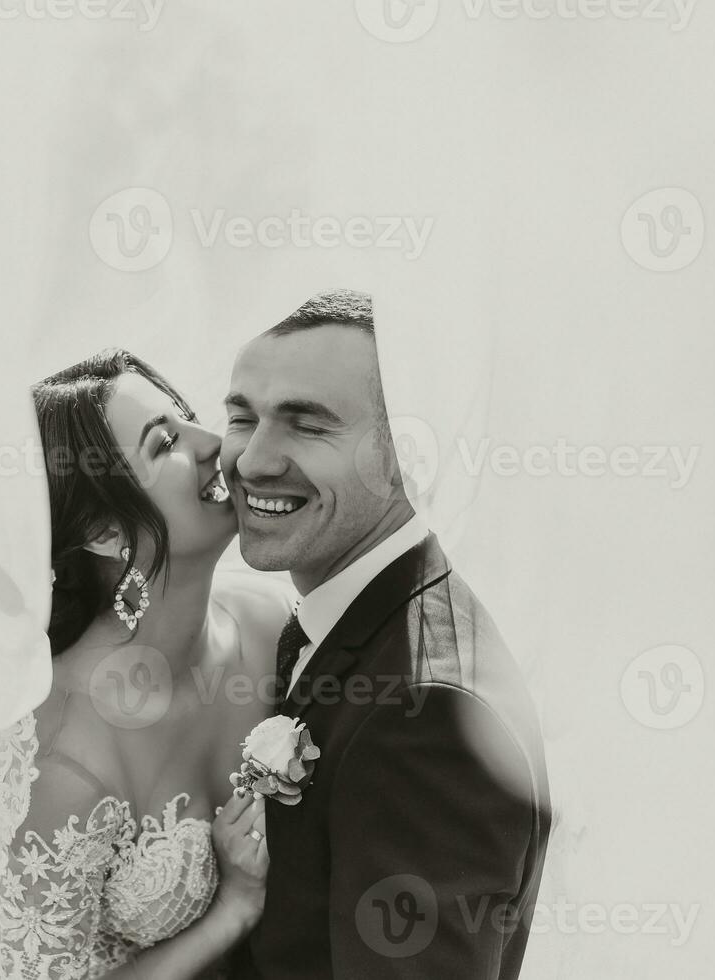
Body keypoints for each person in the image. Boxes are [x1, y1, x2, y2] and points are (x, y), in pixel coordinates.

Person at [0, 349, 294, 980]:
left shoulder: (271, 621)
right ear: (107, 533)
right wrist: (235, 908)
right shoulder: (66, 762)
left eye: (191, 420)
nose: (212, 445)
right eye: (164, 441)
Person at [222, 289, 552, 980]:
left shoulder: (428, 713)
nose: (252, 460)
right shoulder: (352, 623)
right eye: (242, 417)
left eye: (306, 425)